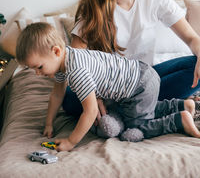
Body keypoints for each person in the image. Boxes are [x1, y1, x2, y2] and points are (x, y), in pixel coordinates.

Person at [64, 0, 200, 119]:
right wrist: (93, 95)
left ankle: (128, 110)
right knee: (69, 99)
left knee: (195, 66)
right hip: (107, 87)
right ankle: (147, 108)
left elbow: (191, 38)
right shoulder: (93, 7)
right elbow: (75, 58)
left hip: (146, 81)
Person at [16, 22, 200, 152]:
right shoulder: (67, 59)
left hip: (139, 87)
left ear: (56, 51)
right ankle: (181, 106)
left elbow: (90, 111)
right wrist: (48, 123)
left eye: (39, 67)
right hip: (140, 76)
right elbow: (57, 95)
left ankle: (179, 120)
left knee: (133, 130)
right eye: (33, 69)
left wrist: (71, 142)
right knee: (140, 111)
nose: (38, 74)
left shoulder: (76, 71)